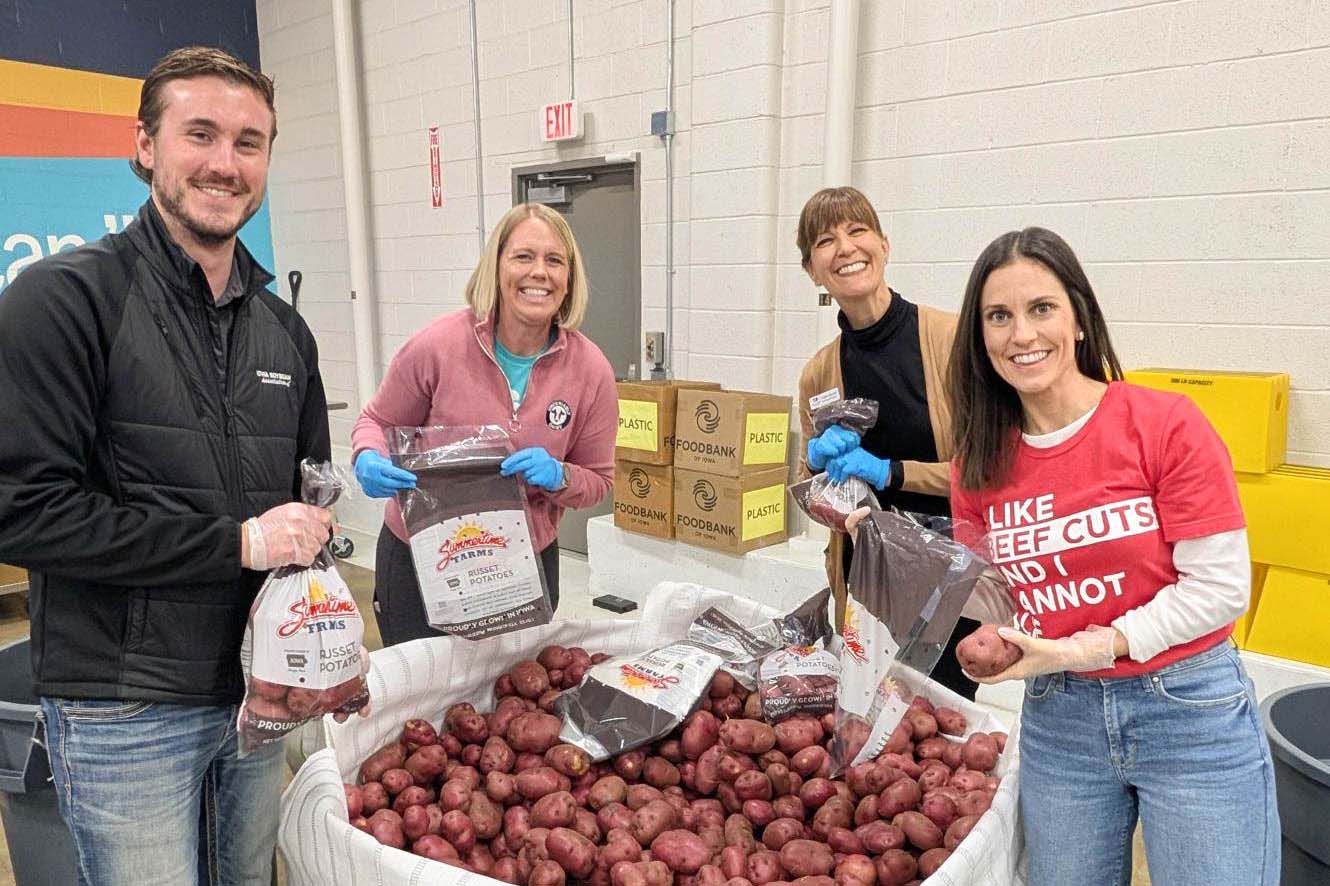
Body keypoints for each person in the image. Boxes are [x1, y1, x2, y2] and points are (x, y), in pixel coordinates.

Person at [0, 47, 338, 885]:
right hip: (124, 709)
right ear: (145, 145)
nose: (225, 163)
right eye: (200, 134)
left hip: (257, 698)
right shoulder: (62, 302)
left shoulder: (285, 335)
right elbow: (23, 513)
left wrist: (319, 651)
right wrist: (234, 545)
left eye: (249, 142)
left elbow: (307, 520)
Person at [947, 226, 1279, 884]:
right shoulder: (976, 465)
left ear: (1076, 317)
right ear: (980, 338)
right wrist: (980, 638)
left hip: (1187, 710)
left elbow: (1218, 589)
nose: (1022, 334)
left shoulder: (1163, 424)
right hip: (1060, 722)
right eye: (999, 316)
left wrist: (1082, 649)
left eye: (1042, 308)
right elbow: (997, 602)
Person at [351, 202, 616, 646]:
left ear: (569, 279)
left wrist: (561, 476)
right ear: (496, 266)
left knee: (509, 701)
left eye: (555, 261)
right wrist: (368, 455)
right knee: (420, 700)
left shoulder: (591, 370)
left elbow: (599, 480)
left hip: (520, 564)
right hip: (422, 559)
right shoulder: (438, 346)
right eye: (523, 256)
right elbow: (376, 420)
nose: (539, 272)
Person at [794, 186, 979, 700]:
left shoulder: (951, 341)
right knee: (865, 716)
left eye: (857, 231)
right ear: (812, 270)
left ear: (883, 243)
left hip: (950, 579)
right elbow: (819, 499)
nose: (845, 248)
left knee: (938, 731)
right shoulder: (818, 372)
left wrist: (891, 473)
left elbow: (993, 472)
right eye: (825, 241)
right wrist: (815, 472)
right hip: (866, 579)